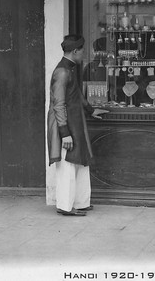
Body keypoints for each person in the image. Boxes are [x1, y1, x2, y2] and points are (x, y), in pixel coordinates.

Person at [47, 34, 108, 216]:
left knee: (81, 162)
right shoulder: (62, 71)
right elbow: (58, 104)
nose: (84, 54)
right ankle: (65, 206)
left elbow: (77, 94)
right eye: (82, 51)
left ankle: (81, 202)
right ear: (75, 51)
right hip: (65, 122)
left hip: (75, 120)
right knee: (67, 164)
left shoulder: (70, 69)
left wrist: (90, 110)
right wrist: (64, 133)